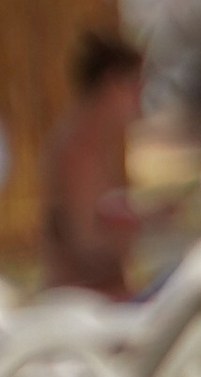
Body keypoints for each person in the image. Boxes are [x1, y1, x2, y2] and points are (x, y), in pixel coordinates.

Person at [39, 28, 145, 298]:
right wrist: (138, 231)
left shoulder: (96, 145)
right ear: (112, 84)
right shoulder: (76, 151)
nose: (138, 99)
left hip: (105, 302)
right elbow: (85, 249)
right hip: (85, 309)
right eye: (134, 86)